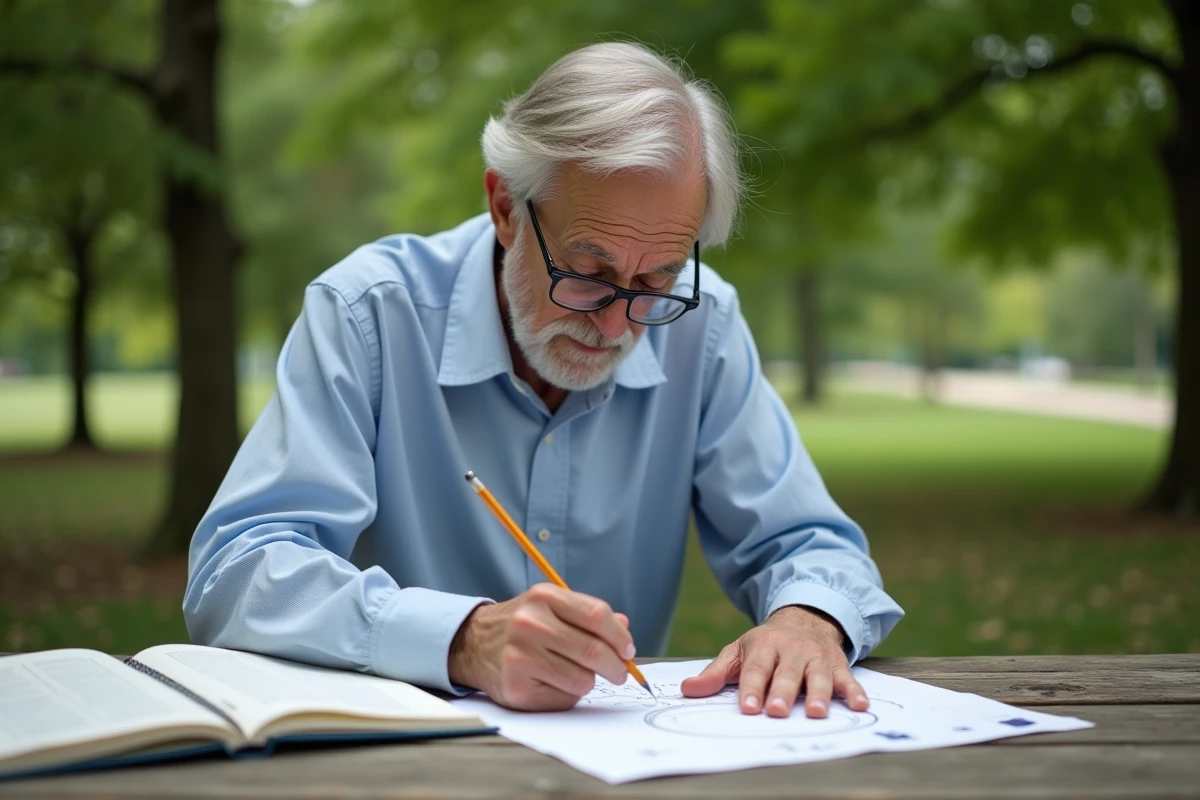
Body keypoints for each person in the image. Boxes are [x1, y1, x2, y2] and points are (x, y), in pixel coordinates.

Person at [184, 42, 903, 720]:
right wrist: (462, 639)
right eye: (589, 276)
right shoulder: (369, 314)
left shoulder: (702, 326)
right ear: (504, 208)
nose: (620, 327)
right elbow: (237, 572)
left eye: (656, 278)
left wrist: (809, 619)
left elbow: (808, 541)